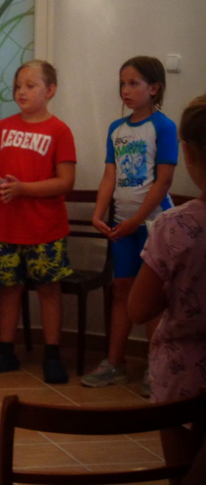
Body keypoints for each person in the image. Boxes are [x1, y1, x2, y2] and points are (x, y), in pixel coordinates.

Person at [0, 60, 76, 384]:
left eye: (30, 85)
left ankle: (52, 356)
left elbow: (65, 182)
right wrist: (4, 185)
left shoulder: (59, 130)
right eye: (18, 85)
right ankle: (5, 352)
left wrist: (23, 189)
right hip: (7, 227)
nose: (22, 91)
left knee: (48, 290)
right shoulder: (2, 127)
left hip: (46, 228)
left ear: (50, 90)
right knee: (7, 289)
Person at [82, 56, 177, 394]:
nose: (126, 89)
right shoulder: (116, 129)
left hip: (153, 226)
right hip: (122, 226)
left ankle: (156, 367)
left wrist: (137, 221)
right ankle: (114, 363)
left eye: (134, 83)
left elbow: (163, 181)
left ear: (154, 88)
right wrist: (99, 213)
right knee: (121, 288)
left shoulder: (164, 127)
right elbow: (110, 175)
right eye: (123, 83)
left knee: (153, 295)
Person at [128, 94, 206, 475]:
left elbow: (139, 309)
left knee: (183, 471)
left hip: (183, 372)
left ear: (186, 152)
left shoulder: (175, 226)